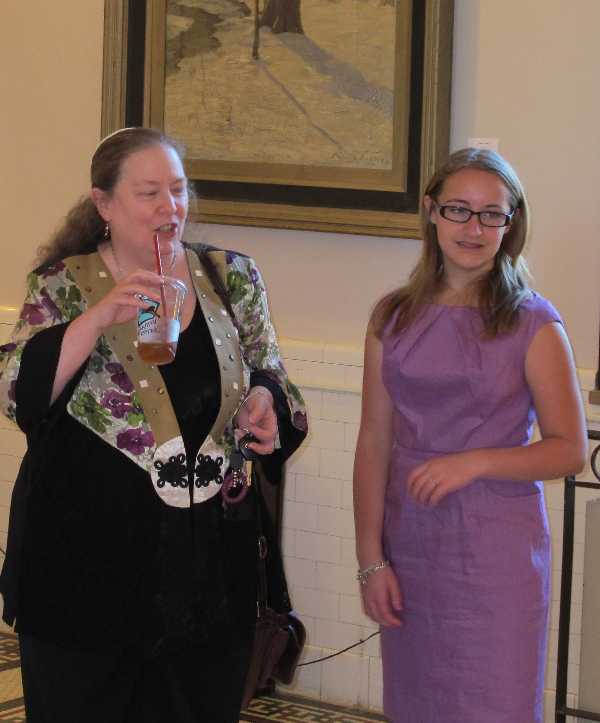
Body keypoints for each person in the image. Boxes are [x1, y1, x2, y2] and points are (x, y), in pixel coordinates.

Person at [0, 127, 307, 722]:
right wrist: (97, 318)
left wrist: (265, 401)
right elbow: (18, 395)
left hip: (208, 575)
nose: (171, 207)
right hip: (81, 573)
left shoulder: (231, 277)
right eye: (149, 193)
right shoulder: (62, 284)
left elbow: (272, 375)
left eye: (178, 189)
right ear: (104, 204)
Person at [353, 148, 587, 723]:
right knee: (417, 702)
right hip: (413, 544)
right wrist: (371, 561)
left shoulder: (534, 321)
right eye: (458, 209)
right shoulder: (391, 317)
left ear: (511, 224)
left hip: (496, 551)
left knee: (495, 703)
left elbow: (569, 450)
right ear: (431, 211)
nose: (474, 228)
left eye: (491, 214)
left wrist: (475, 462)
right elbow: (374, 442)